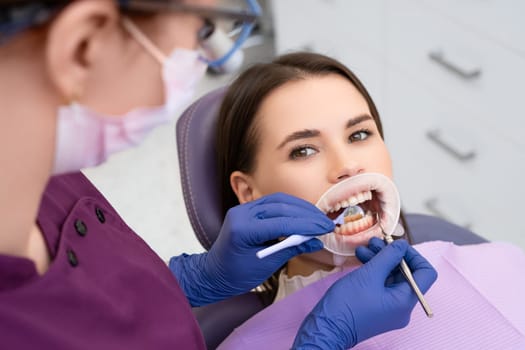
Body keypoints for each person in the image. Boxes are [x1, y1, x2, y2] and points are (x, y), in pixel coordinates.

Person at [0, 1, 437, 349]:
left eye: (360, 133)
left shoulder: (44, 166)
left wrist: (200, 276)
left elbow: (95, 287)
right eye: (203, 30)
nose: (348, 165)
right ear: (81, 45)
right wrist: (323, 342)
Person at [214, 52, 525, 349]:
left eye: (359, 135)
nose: (348, 165)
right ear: (249, 193)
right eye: (304, 150)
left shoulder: (501, 265)